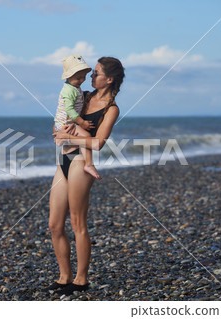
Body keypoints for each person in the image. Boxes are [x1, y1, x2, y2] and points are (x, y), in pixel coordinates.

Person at [43, 57, 125, 296]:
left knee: (78, 223)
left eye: (96, 73)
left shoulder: (112, 109)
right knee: (54, 224)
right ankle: (64, 276)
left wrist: (68, 138)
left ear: (109, 79)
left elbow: (98, 143)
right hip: (63, 161)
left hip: (80, 163)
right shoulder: (84, 96)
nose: (91, 77)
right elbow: (65, 118)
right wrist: (59, 130)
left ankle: (81, 279)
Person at [54, 54, 101, 180]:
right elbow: (69, 109)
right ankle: (89, 164)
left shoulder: (74, 87)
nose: (82, 80)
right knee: (86, 136)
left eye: (83, 77)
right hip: (66, 123)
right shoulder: (69, 91)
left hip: (66, 123)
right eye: (78, 78)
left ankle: (62, 139)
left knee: (81, 137)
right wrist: (82, 123)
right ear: (68, 76)